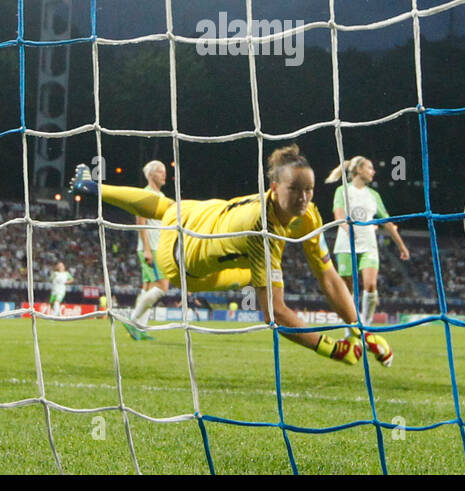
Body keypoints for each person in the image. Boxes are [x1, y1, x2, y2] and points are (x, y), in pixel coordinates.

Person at [72, 144, 393, 365]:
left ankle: (92, 188)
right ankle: (136, 319)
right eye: (295, 190)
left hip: (203, 214)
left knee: (165, 205)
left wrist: (361, 332)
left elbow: (329, 277)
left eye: (308, 190)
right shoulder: (261, 230)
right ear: (273, 187)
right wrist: (332, 349)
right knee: (262, 287)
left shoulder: (308, 216)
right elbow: (274, 314)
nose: (304, 198)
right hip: (182, 263)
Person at [326, 156, 409, 325]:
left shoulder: (373, 195)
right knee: (347, 290)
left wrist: (401, 246)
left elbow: (387, 221)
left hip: (369, 245)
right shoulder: (342, 191)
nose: (373, 172)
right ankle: (350, 327)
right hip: (346, 246)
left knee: (370, 286)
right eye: (370, 168)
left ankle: (366, 326)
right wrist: (349, 230)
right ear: (358, 170)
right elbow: (339, 216)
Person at [128, 161, 170, 335]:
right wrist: (146, 248)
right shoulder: (146, 194)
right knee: (162, 286)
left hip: (158, 246)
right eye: (161, 172)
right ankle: (134, 319)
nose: (164, 175)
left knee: (147, 287)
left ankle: (139, 329)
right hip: (151, 247)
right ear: (151, 174)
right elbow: (141, 223)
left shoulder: (161, 195)